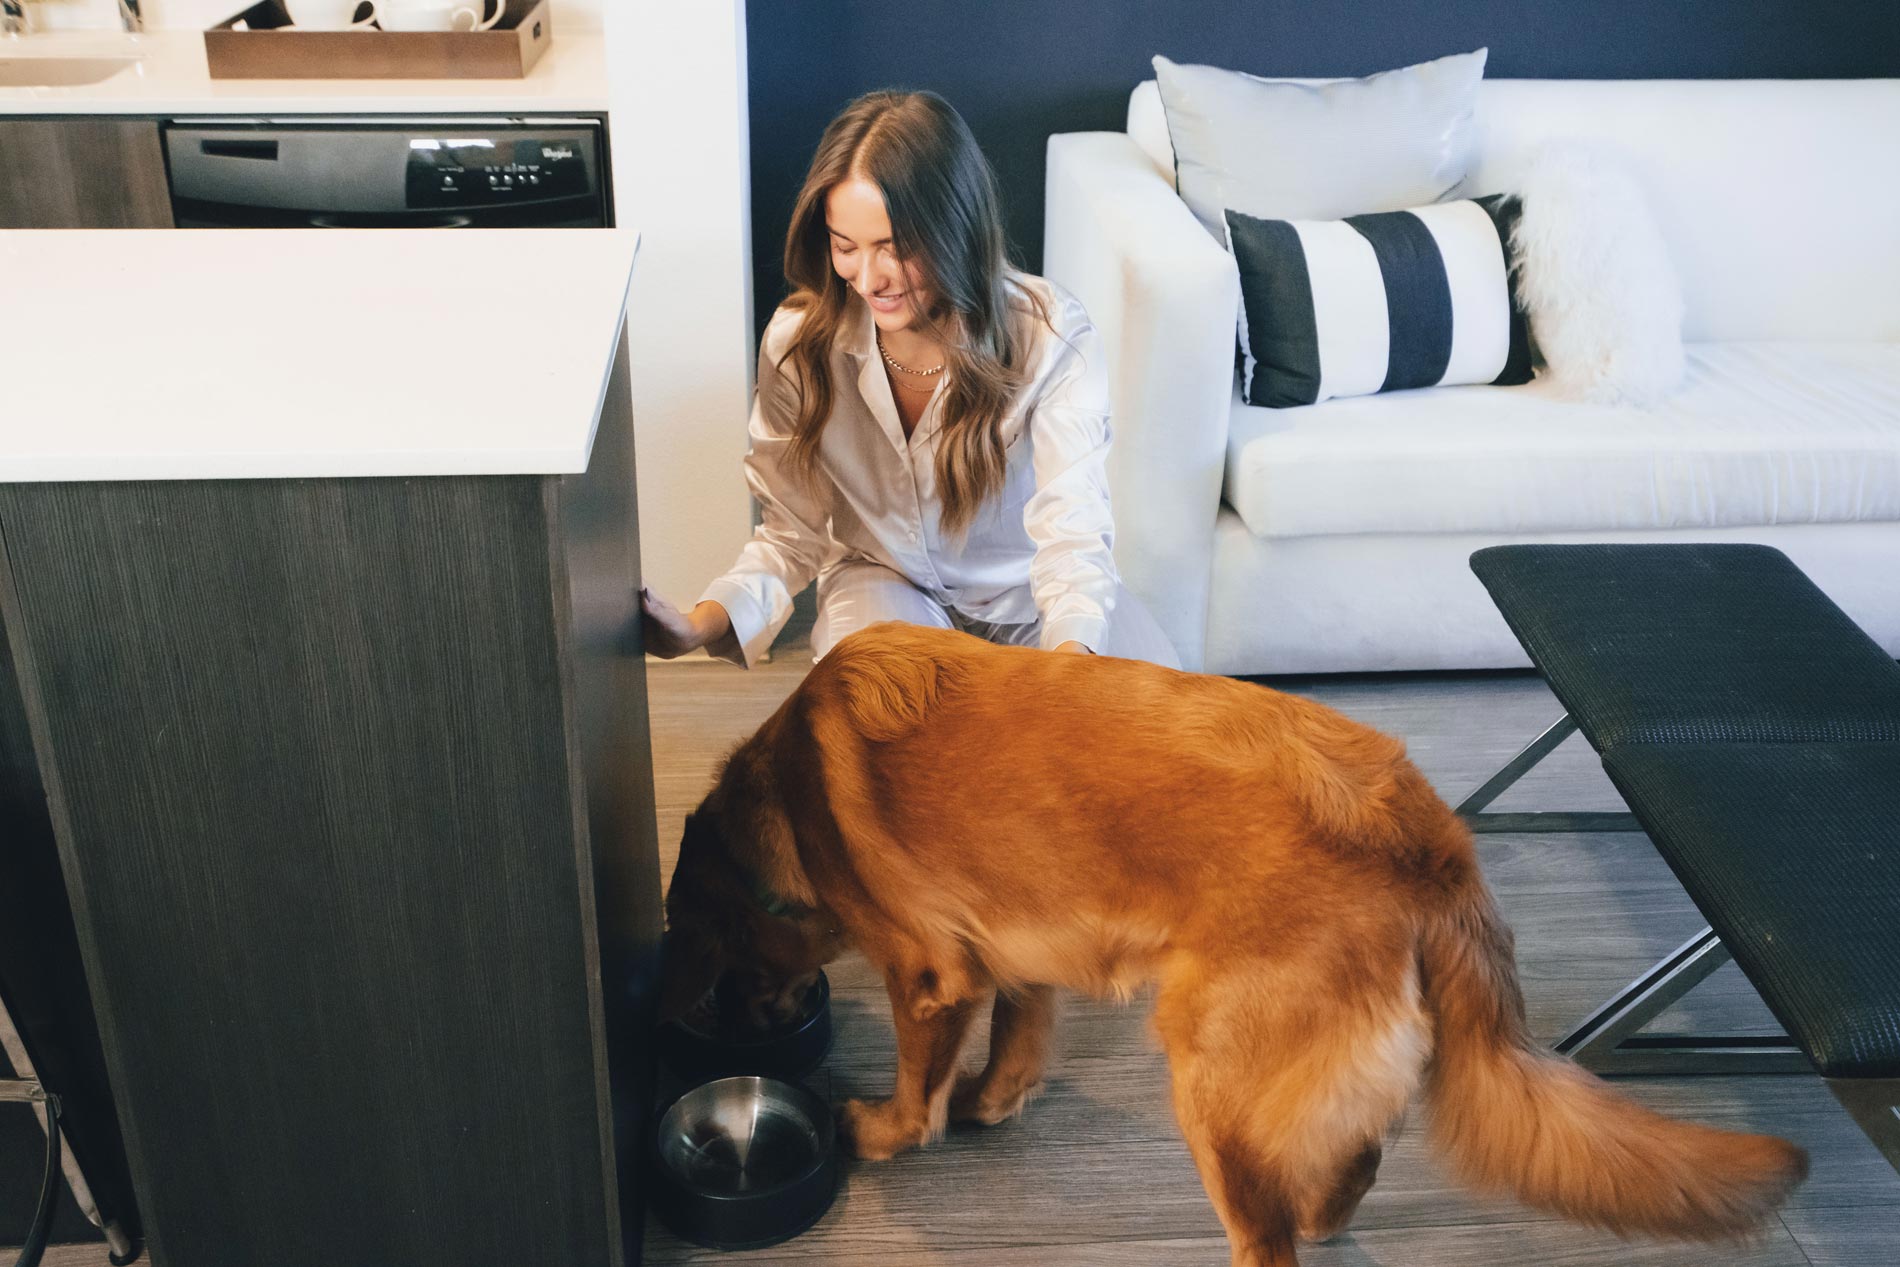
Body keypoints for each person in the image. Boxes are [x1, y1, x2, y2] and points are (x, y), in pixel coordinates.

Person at [640, 89, 1178, 670]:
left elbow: (1073, 535)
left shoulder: (1051, 337)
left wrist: (1068, 673)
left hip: (1032, 597)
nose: (867, 279)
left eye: (893, 249)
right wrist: (698, 626)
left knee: (1153, 730)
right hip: (884, 587)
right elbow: (790, 532)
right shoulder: (798, 344)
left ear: (956, 231)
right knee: (884, 716)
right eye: (845, 246)